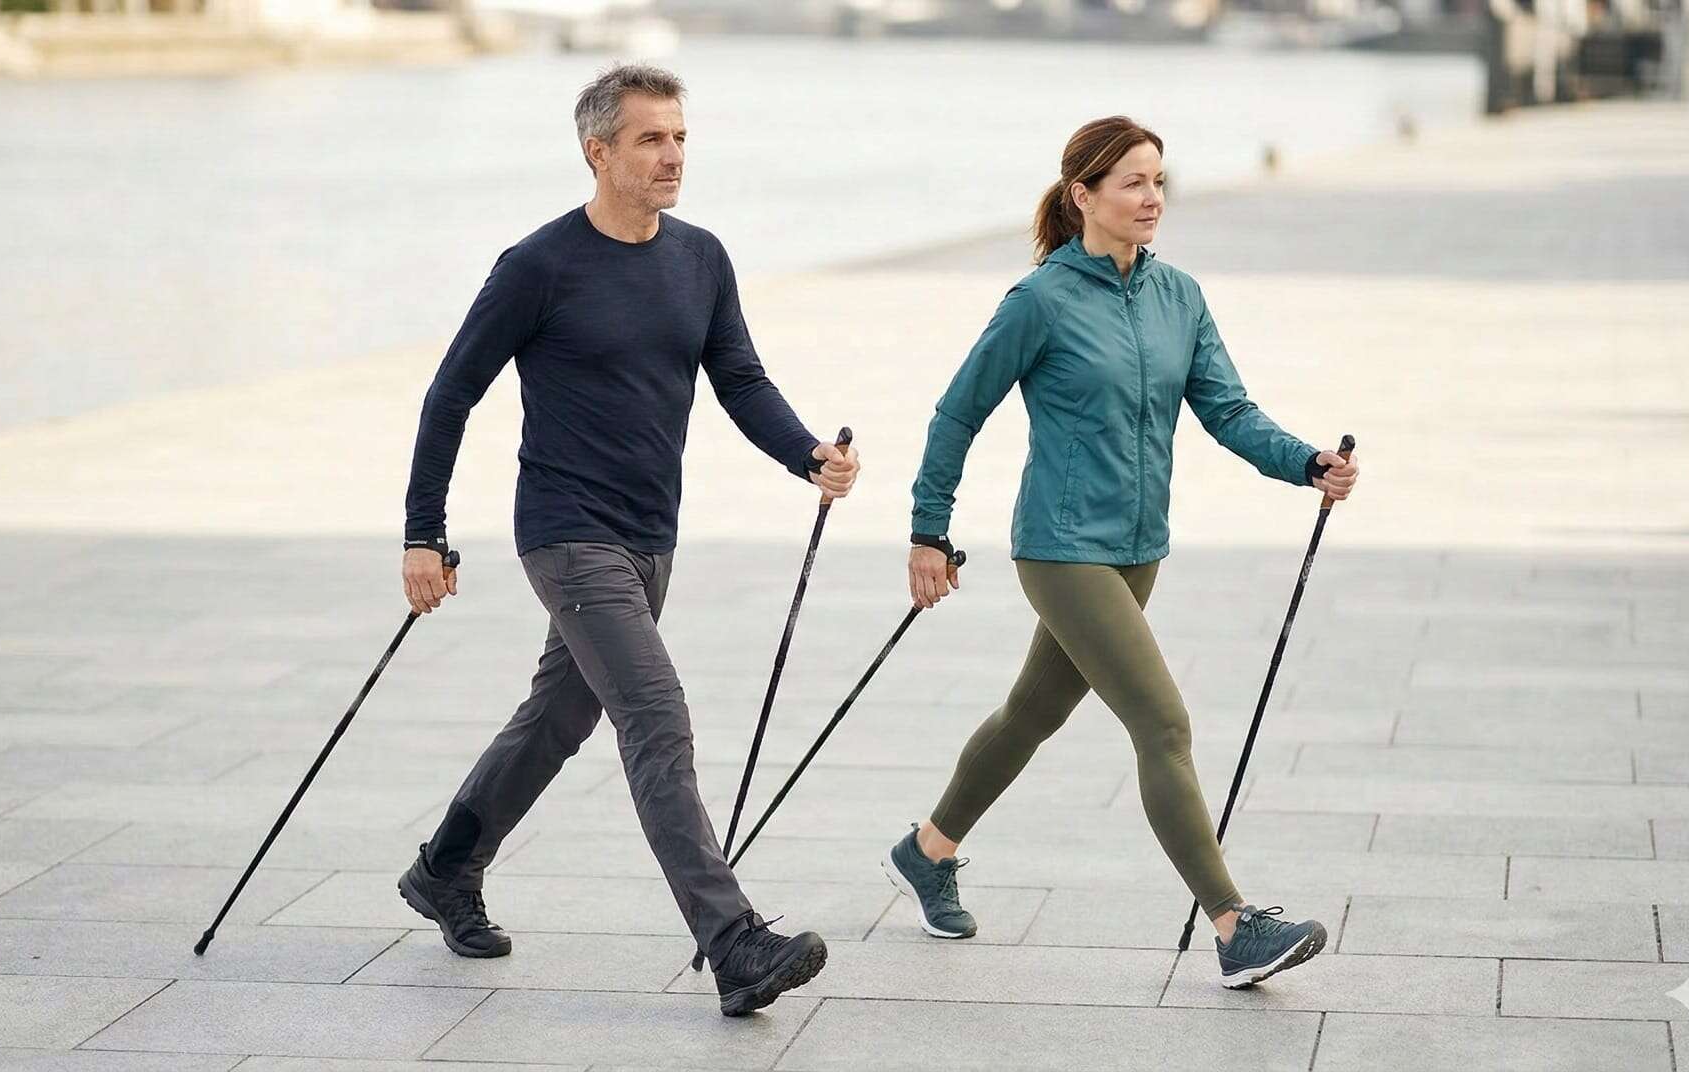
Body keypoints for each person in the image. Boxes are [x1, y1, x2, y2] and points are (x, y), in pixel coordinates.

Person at [395, 63, 860, 1017]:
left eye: (680, 136)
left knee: (559, 718)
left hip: (653, 536)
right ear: (597, 151)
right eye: (650, 139)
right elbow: (451, 395)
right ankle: (733, 943)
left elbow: (739, 376)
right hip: (566, 533)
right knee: (656, 716)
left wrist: (805, 453)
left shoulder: (701, 258)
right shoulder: (538, 265)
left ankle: (446, 869)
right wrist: (423, 534)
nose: (673, 156)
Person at [882, 116, 1358, 989]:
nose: (1152, 200)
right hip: (1061, 550)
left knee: (1032, 714)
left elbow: (1229, 411)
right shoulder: (1041, 301)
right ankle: (1232, 924)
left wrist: (1304, 461)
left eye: (1160, 182)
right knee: (1163, 724)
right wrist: (928, 529)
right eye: (1133, 183)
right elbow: (958, 411)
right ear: (1083, 196)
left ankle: (928, 849)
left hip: (1139, 548)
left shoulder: (1179, 295)